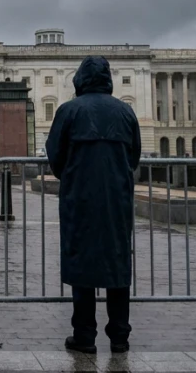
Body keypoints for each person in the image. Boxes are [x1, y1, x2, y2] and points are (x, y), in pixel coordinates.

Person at [45, 55, 141, 354]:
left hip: (80, 197)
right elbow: (134, 156)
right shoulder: (125, 111)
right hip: (117, 198)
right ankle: (120, 336)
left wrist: (72, 174)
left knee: (81, 263)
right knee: (117, 262)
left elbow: (55, 154)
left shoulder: (69, 110)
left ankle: (84, 335)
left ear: (80, 79)